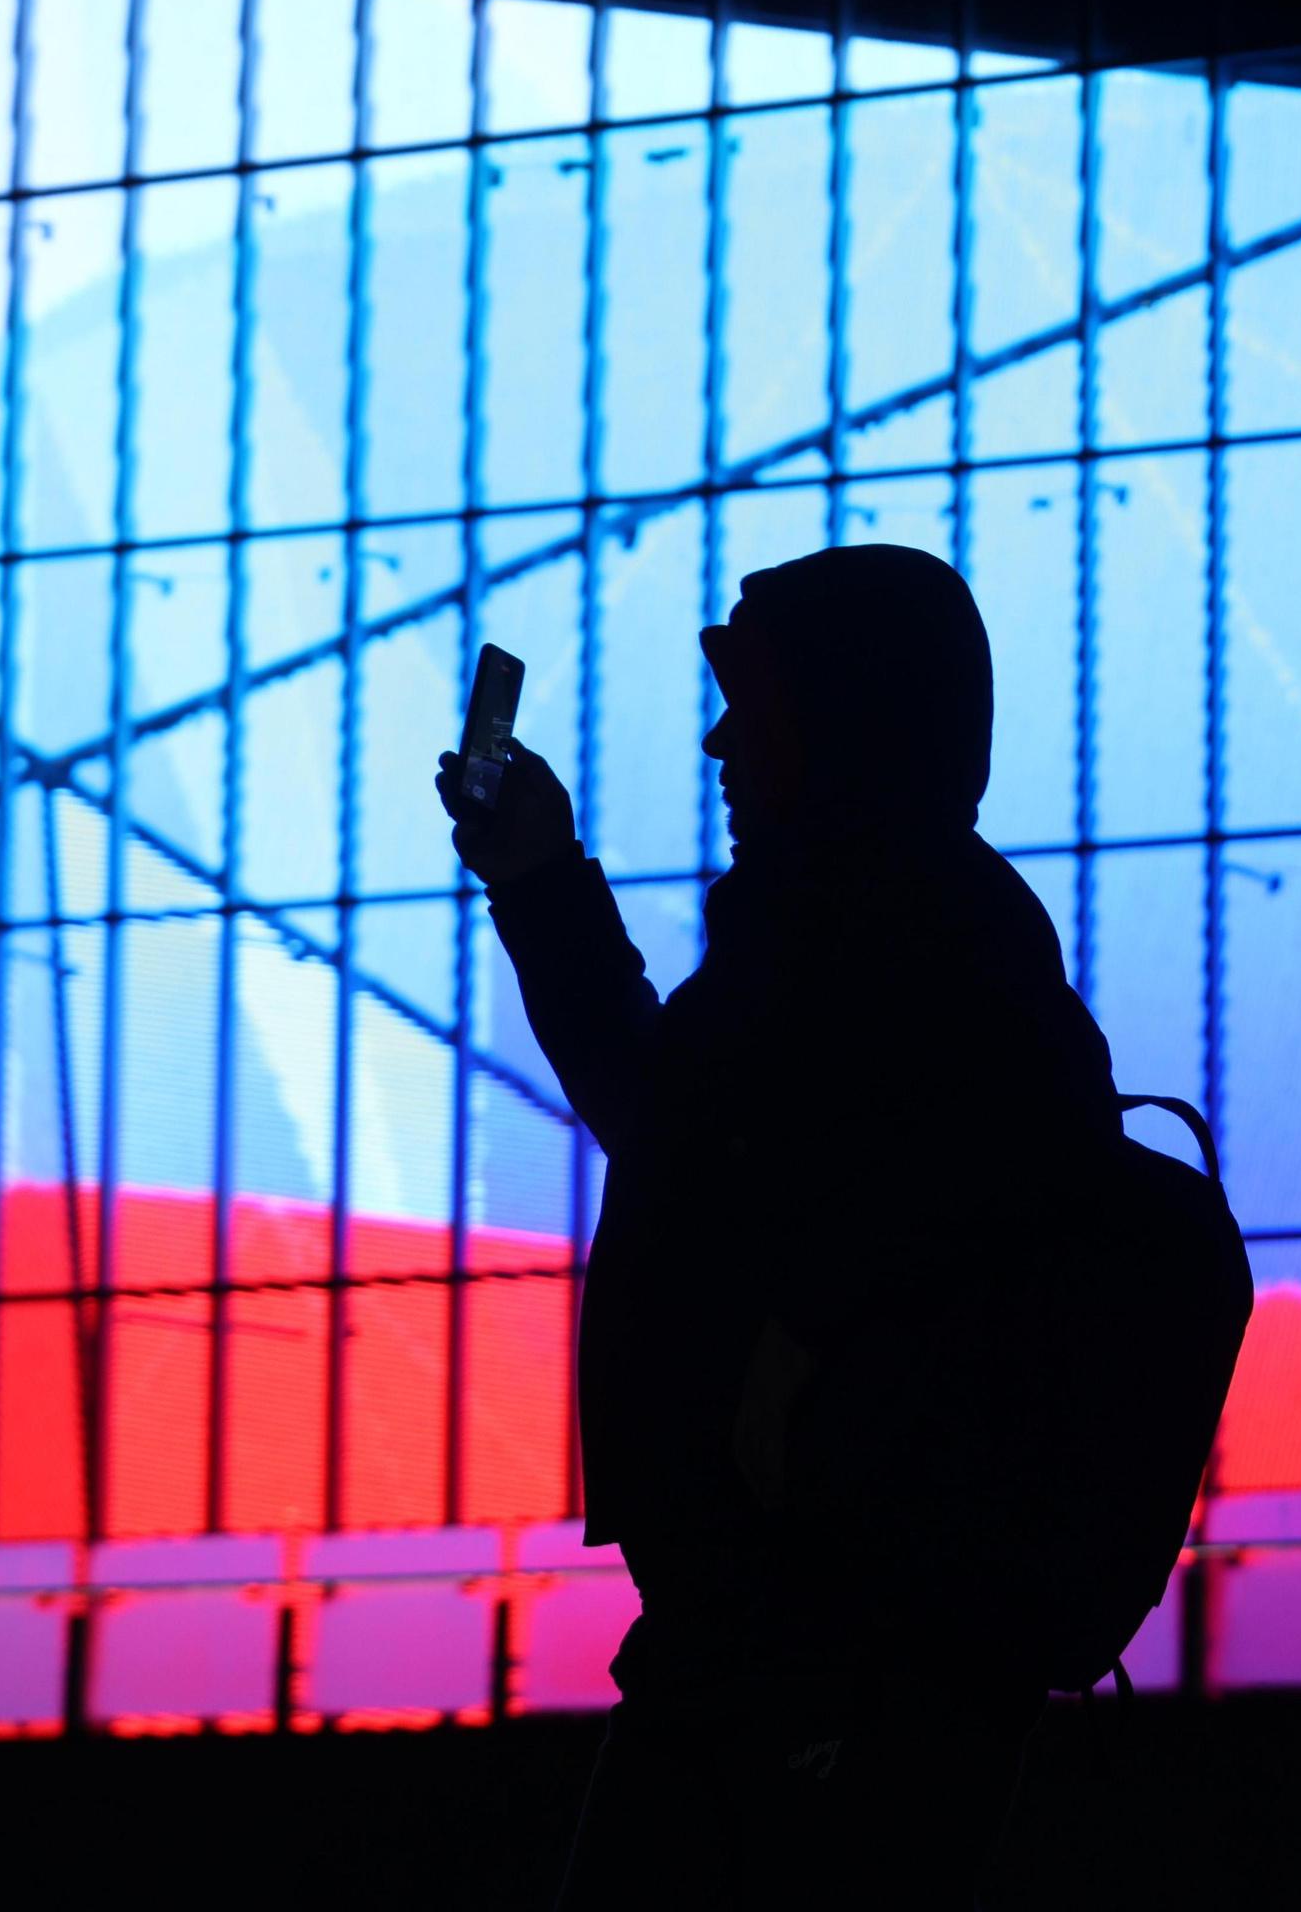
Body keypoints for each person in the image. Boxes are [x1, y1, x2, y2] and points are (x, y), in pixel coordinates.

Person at [435, 542, 1123, 1909]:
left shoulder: (885, 938)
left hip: (819, 1638)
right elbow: (684, 1133)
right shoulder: (894, 929)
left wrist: (543, 886)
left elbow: (689, 1141)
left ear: (843, 724)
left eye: (755, 707)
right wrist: (539, 879)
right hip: (792, 1627)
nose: (720, 744)